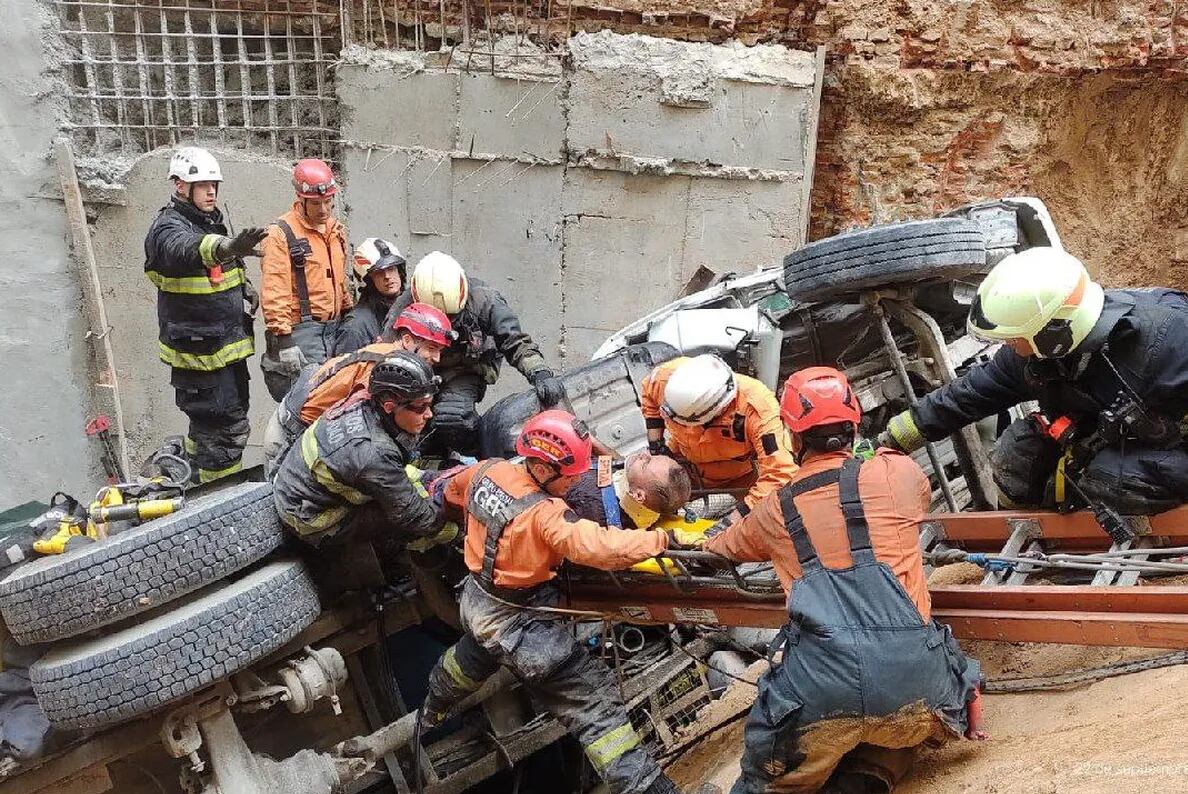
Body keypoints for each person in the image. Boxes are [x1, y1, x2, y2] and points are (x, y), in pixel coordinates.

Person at [704, 367, 983, 794]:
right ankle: (868, 776)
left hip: (821, 691)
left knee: (772, 773)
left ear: (794, 440)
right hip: (920, 687)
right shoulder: (900, 474)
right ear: (855, 424)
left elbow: (721, 549)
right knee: (899, 721)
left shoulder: (773, 512)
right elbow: (915, 497)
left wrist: (702, 538)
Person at [417, 410, 707, 794]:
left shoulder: (488, 471)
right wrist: (665, 542)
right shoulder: (546, 515)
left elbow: (443, 490)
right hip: (520, 626)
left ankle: (433, 706)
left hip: (478, 599)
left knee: (471, 656)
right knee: (598, 714)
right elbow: (602, 548)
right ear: (544, 468)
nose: (576, 482)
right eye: (571, 474)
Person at [880, 247, 1188, 516]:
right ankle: (1049, 543)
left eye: (1015, 337)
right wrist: (888, 442)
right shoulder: (1035, 358)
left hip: (1174, 447)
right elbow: (968, 395)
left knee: (1114, 477)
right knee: (1017, 456)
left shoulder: (1171, 340)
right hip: (1107, 437)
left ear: (1053, 333)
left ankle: (1153, 539)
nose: (1010, 344)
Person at [144, 146, 267, 484]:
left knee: (228, 426)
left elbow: (216, 265)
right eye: (203, 185)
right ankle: (214, 495)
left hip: (222, 352)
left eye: (214, 184)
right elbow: (186, 249)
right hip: (198, 359)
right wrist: (226, 248)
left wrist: (244, 286)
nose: (211, 191)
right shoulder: (166, 229)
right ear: (180, 186)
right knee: (222, 435)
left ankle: (189, 472)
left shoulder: (209, 221)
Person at [381, 251, 566, 456]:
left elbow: (515, 340)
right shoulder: (404, 306)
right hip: (421, 369)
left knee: (452, 415)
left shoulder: (485, 300)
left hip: (466, 367)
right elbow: (388, 350)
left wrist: (539, 373)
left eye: (451, 317)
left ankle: (482, 455)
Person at [272, 352, 450, 558]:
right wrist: (453, 533)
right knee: (401, 524)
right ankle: (389, 571)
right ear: (389, 406)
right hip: (309, 516)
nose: (429, 415)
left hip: (298, 483)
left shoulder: (363, 400)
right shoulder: (373, 454)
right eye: (421, 407)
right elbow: (415, 516)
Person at [262, 303, 454, 477]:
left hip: (296, 422)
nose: (437, 357)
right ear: (407, 340)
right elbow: (358, 429)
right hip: (289, 436)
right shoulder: (379, 369)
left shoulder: (385, 354)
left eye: (440, 350)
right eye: (431, 348)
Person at [641, 354, 797, 521]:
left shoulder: (759, 409)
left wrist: (735, 519)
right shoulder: (666, 378)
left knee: (765, 518)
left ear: (713, 414)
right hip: (684, 464)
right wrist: (657, 446)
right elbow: (649, 396)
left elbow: (781, 472)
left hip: (738, 477)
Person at [259, 158, 353, 401]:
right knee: (306, 403)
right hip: (303, 334)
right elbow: (275, 290)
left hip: (335, 329)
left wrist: (349, 312)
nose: (323, 209)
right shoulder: (281, 234)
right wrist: (284, 340)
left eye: (327, 202)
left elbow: (339, 280)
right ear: (300, 200)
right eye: (315, 204)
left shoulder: (335, 230)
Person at [564, 450, 693, 530]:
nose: (644, 454)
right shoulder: (629, 482)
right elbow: (614, 463)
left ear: (638, 496)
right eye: (652, 456)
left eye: (645, 464)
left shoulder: (594, 508)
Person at [333, 237, 406, 355]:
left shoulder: (411, 310)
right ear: (368, 282)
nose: (387, 276)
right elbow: (345, 371)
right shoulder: (356, 327)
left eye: (391, 268)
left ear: (400, 272)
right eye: (378, 272)